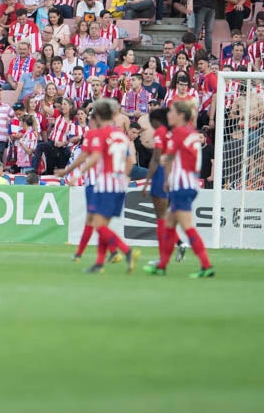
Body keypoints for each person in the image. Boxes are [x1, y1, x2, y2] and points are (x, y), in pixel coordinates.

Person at [59, 99, 140, 272]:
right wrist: (124, 178)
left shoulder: (100, 134)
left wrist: (76, 175)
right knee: (102, 224)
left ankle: (127, 251)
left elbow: (93, 157)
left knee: (98, 224)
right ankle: (100, 263)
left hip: (103, 184)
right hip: (119, 185)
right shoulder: (121, 135)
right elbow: (131, 160)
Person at [144, 101, 215, 278]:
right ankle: (162, 265)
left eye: (172, 112)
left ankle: (206, 265)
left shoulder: (178, 133)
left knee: (187, 226)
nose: (168, 115)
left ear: (181, 116)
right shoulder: (191, 133)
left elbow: (167, 158)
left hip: (182, 185)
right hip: (189, 183)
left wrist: (165, 178)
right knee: (169, 226)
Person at [139, 108, 186, 263]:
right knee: (165, 217)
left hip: (161, 175)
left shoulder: (159, 132)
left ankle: (162, 258)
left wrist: (146, 182)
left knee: (160, 218)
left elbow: (155, 159)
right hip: (173, 175)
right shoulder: (170, 132)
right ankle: (179, 243)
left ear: (156, 120)